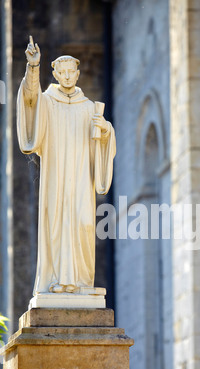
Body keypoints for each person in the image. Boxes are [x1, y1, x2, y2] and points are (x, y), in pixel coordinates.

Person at [17, 36, 116, 295]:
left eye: (72, 72)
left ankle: (82, 282)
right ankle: (58, 281)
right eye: (63, 72)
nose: (69, 76)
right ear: (56, 74)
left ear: (79, 73)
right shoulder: (48, 102)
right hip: (56, 176)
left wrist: (104, 131)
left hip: (82, 178)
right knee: (57, 222)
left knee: (84, 222)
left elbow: (103, 140)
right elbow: (30, 100)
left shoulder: (88, 107)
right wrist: (33, 68)